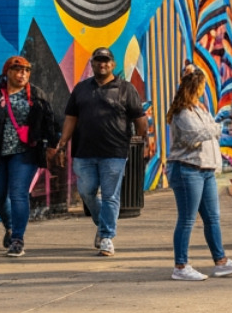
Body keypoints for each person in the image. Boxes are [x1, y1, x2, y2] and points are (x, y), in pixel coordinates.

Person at [48, 46, 153, 257]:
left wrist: (145, 140)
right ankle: (102, 222)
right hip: (83, 151)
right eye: (98, 60)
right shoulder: (81, 89)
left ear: (112, 65)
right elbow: (71, 118)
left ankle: (106, 237)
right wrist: (62, 142)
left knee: (110, 195)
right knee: (86, 192)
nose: (102, 64)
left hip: (114, 152)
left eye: (106, 61)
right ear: (92, 64)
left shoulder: (126, 89)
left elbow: (139, 118)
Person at [0, 56, 59, 257]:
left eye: (26, 71)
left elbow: (49, 121)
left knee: (18, 193)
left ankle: (17, 239)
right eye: (18, 70)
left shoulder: (36, 95)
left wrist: (52, 145)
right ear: (7, 72)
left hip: (25, 153)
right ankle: (9, 225)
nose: (22, 74)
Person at [165, 65, 232, 281]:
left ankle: (220, 261)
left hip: (207, 170)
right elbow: (195, 136)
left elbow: (210, 133)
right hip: (187, 170)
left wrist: (216, 129)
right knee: (187, 219)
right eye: (200, 87)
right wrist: (220, 126)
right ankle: (180, 266)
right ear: (193, 88)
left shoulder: (200, 110)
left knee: (213, 218)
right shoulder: (181, 113)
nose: (202, 92)